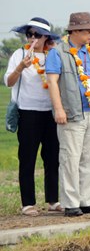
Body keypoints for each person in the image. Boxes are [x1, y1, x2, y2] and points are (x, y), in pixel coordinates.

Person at [45, 12, 90, 217]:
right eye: (88, 31)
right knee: (70, 158)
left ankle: (88, 200)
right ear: (75, 31)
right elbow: (53, 82)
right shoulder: (58, 52)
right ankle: (71, 203)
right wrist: (59, 108)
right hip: (71, 113)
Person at [4, 17, 61, 216]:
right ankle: (27, 203)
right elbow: (9, 82)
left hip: (51, 112)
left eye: (37, 34)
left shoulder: (53, 55)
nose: (32, 38)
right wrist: (20, 67)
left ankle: (53, 200)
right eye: (29, 34)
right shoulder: (19, 54)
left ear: (46, 37)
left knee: (53, 156)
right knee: (27, 158)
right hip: (27, 112)